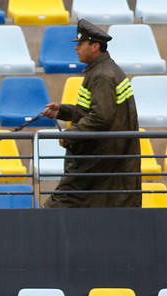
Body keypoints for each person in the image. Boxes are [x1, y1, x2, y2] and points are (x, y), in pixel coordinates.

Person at [42, 19, 141, 208]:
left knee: (58, 206)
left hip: (96, 159)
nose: (76, 48)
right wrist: (61, 110)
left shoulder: (102, 75)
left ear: (94, 46)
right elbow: (92, 111)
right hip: (104, 159)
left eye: (80, 43)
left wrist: (70, 135)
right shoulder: (105, 70)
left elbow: (100, 118)